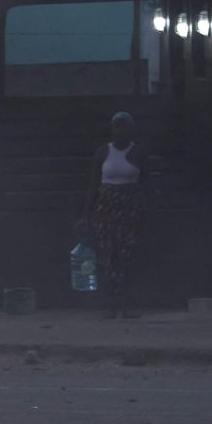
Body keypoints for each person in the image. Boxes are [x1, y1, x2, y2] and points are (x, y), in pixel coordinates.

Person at [81, 112, 147, 320]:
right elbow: (93, 185)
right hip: (106, 210)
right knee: (109, 258)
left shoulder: (138, 152)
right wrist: (86, 215)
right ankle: (111, 306)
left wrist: (145, 212)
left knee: (127, 257)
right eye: (116, 127)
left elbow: (146, 184)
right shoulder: (103, 152)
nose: (120, 131)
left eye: (124, 127)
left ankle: (126, 306)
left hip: (129, 210)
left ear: (131, 129)